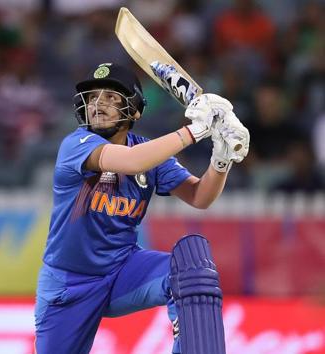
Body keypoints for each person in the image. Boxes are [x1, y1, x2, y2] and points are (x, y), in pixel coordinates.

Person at [34, 62, 250, 354]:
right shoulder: (77, 145)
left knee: (190, 268)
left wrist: (221, 159)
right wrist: (195, 130)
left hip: (123, 269)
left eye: (111, 97)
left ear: (134, 110)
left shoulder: (149, 151)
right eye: (93, 96)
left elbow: (200, 197)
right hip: (69, 284)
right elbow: (133, 161)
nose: (99, 104)